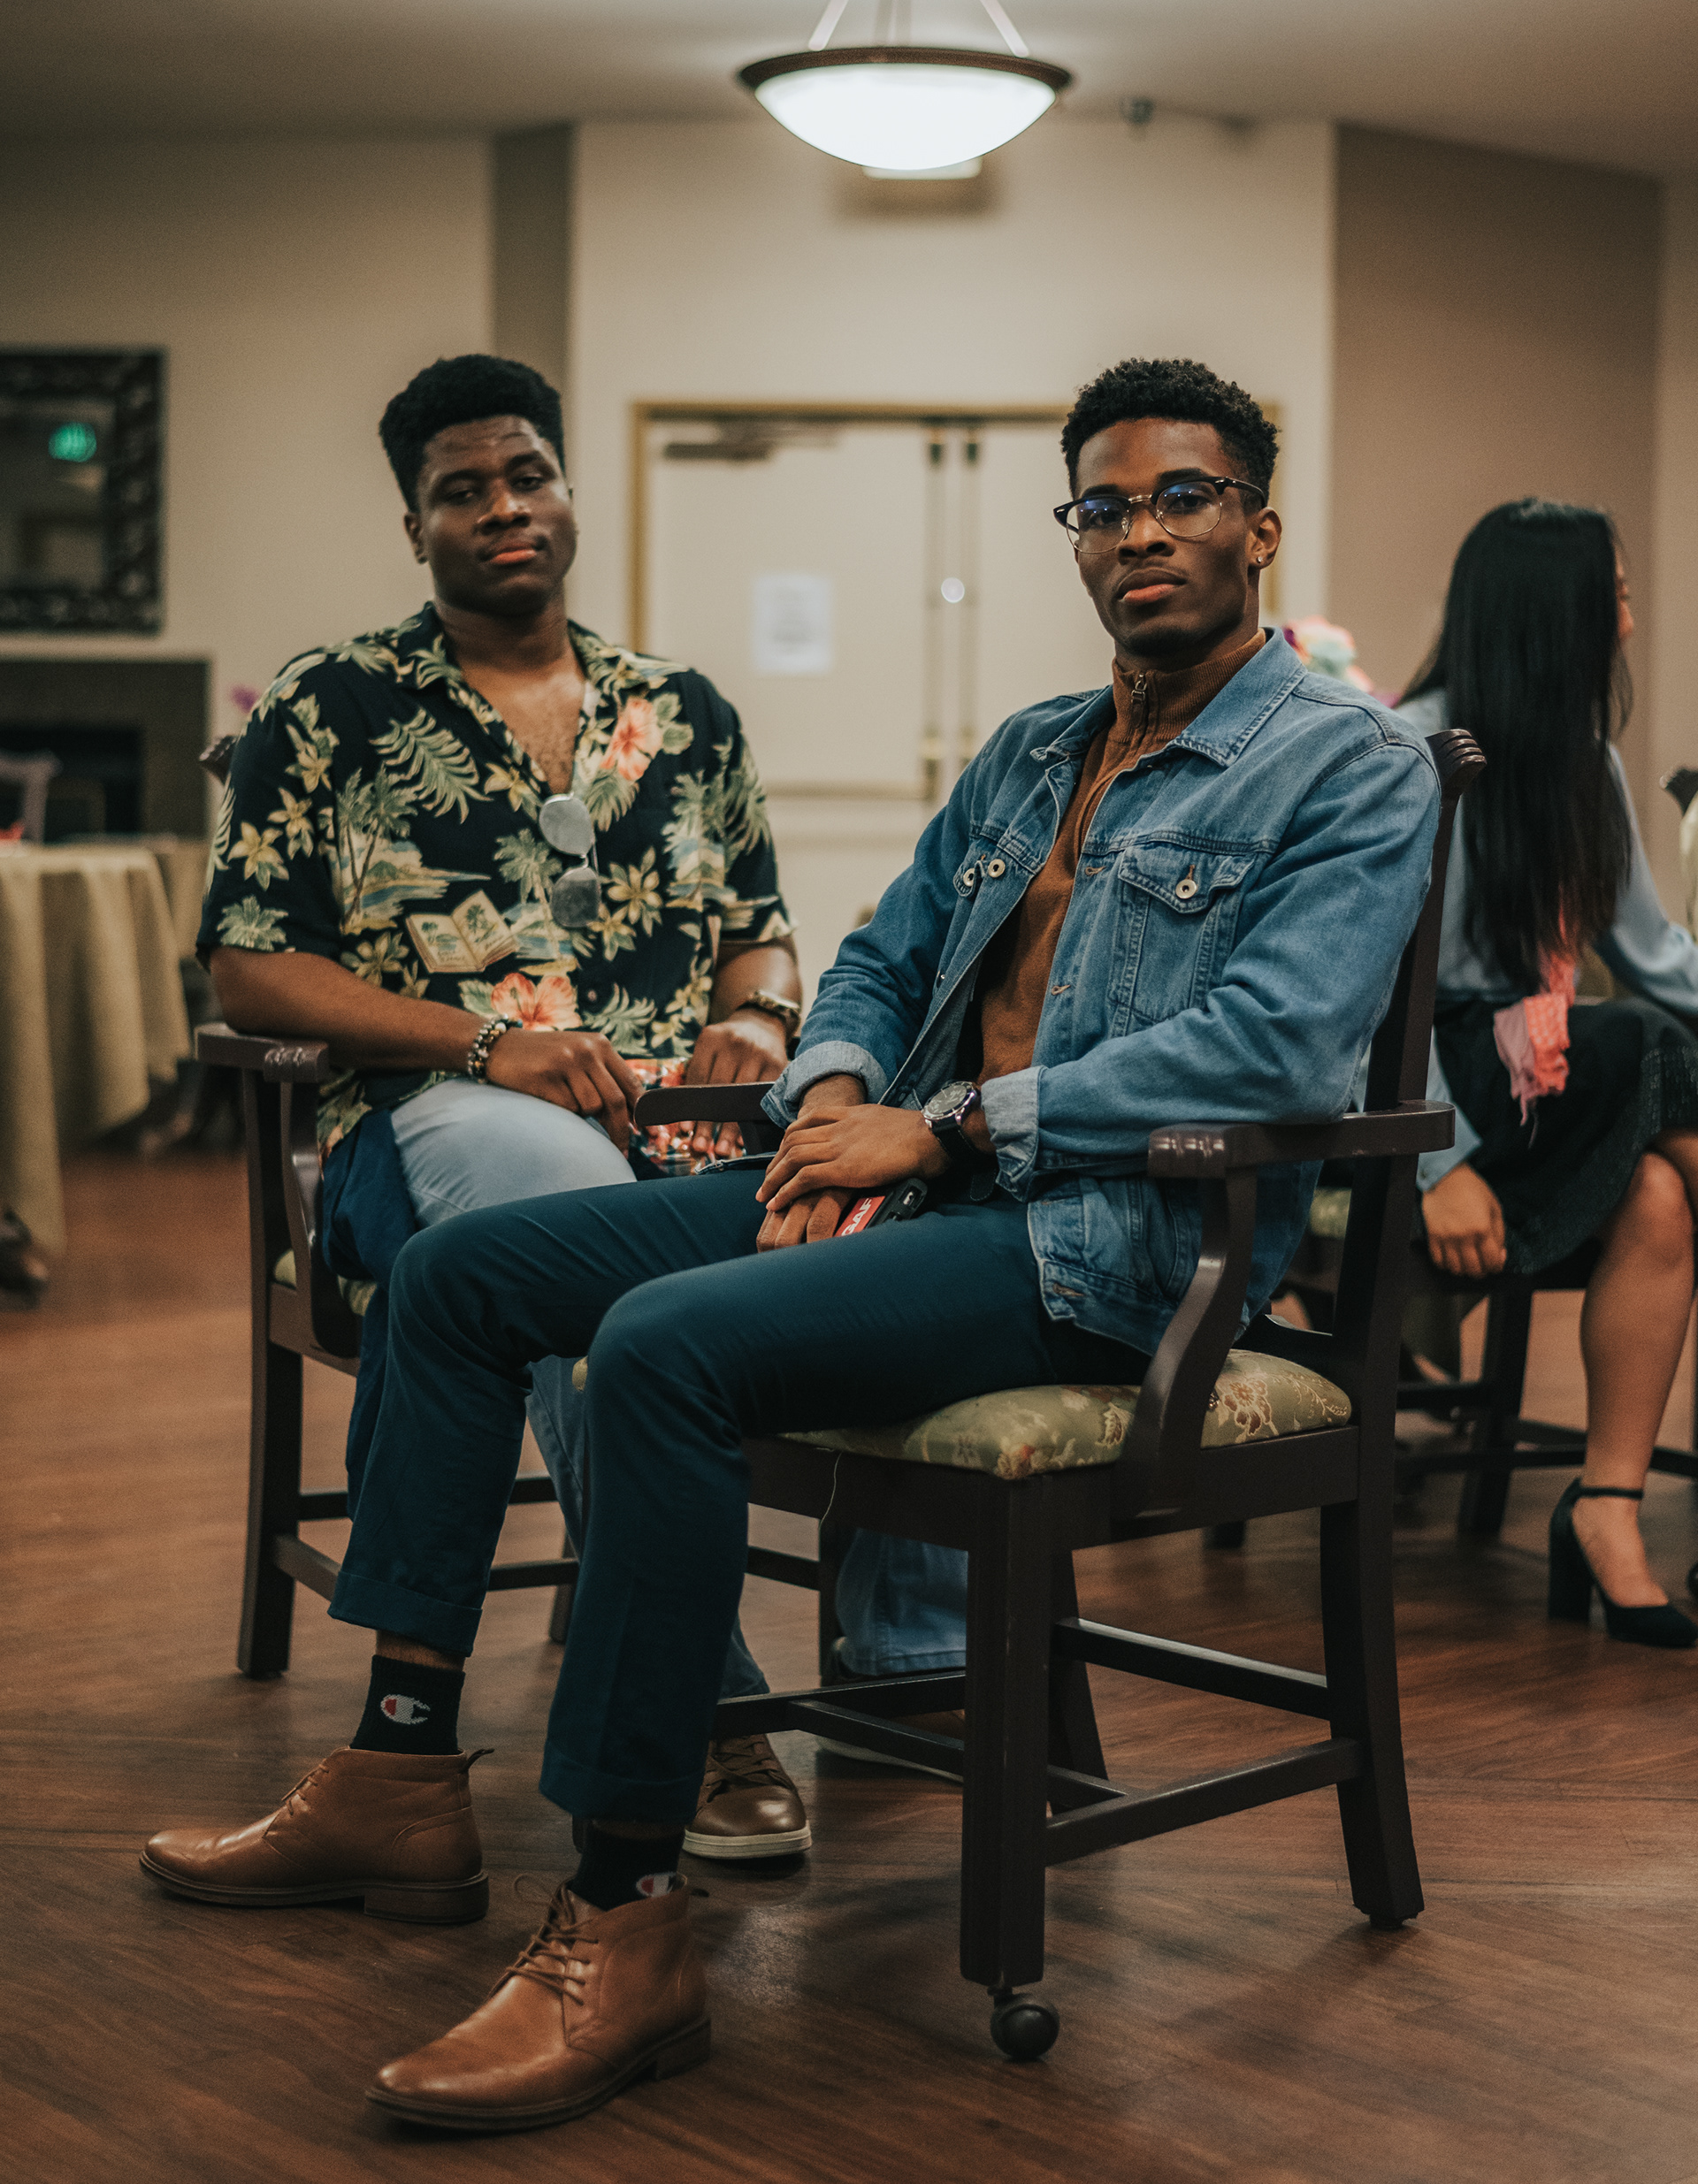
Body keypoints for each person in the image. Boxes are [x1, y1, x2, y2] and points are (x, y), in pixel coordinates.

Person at [148, 355, 1442, 2133]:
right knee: (462, 1280)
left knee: (664, 1348)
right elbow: (878, 961)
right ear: (1073, 536)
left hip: (1111, 1256)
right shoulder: (1033, 750)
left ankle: (626, 1916)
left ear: (1258, 526)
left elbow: (1275, 1049)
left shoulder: (1351, 764)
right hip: (926, 1196)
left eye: (1182, 498)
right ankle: (401, 1765)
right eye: (1104, 505)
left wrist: (950, 1124)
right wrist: (833, 1097)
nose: (1140, 532)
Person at [197, 350, 967, 1865]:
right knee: (562, 1207)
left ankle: (912, 1661)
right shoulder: (331, 703)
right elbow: (248, 967)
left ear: (565, 489)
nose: (503, 508)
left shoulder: (685, 713)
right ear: (413, 525)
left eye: (526, 475)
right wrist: (488, 1040)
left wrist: (758, 1014)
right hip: (424, 1127)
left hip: (690, 1132)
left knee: (901, 1194)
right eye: (460, 490)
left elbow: (762, 931)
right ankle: (706, 1701)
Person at [1401, 500, 1698, 1646]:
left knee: (1662, 1195)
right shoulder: (1404, 754)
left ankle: (1607, 1509)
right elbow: (1355, 997)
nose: (1627, 620)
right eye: (1612, 596)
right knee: (1648, 1042)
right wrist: (1437, 1161)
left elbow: (1657, 958)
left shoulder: (1588, 763)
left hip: (1542, 1074)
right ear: (1551, 614)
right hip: (1422, 1086)